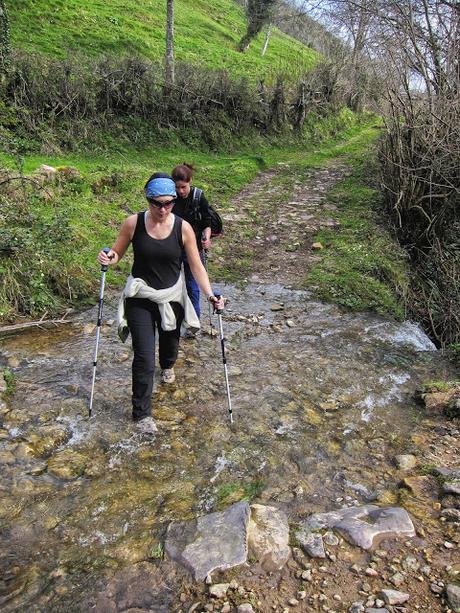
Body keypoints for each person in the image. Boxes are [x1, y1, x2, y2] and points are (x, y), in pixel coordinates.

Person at [97, 174, 224, 434]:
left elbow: (196, 266)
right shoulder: (133, 224)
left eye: (169, 203)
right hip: (140, 297)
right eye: (157, 204)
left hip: (171, 297)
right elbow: (117, 253)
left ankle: (167, 366)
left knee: (169, 345)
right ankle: (142, 414)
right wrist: (109, 258)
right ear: (148, 200)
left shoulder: (183, 228)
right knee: (143, 356)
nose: (164, 209)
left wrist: (210, 294)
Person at [171, 163, 213, 329]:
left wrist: (207, 238)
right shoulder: (169, 198)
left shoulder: (198, 196)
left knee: (192, 286)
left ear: (190, 182)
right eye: (177, 187)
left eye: (183, 187)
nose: (180, 191)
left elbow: (207, 223)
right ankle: (171, 321)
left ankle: (193, 322)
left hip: (194, 248)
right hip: (172, 247)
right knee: (170, 284)